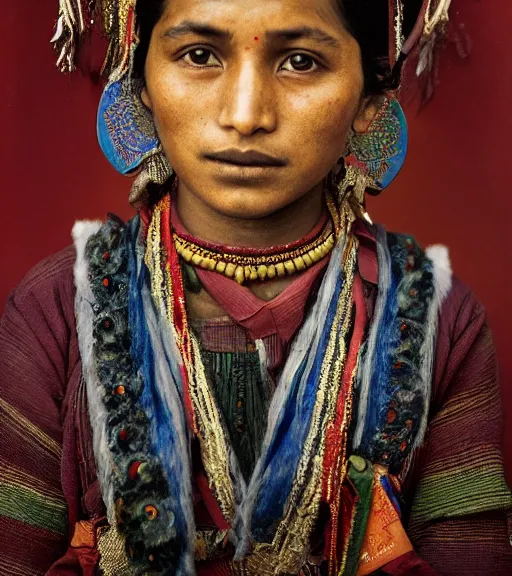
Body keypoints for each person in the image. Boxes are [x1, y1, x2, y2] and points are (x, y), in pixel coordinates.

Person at [0, 0, 510, 574]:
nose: (245, 115)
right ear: (141, 81)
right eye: (199, 55)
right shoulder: (57, 312)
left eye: (300, 61)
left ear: (370, 100)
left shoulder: (438, 319)